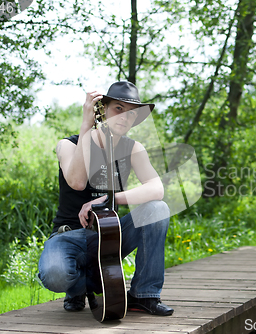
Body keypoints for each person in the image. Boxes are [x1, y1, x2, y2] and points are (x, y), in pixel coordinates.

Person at [38, 81, 174, 316]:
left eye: (131, 113)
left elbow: (156, 188)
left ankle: (144, 295)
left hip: (108, 235)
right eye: (118, 109)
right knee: (56, 275)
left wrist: (109, 198)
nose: (124, 117)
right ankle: (81, 288)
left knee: (158, 209)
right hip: (68, 235)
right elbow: (78, 182)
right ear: (102, 110)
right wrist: (85, 126)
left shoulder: (133, 148)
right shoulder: (67, 145)